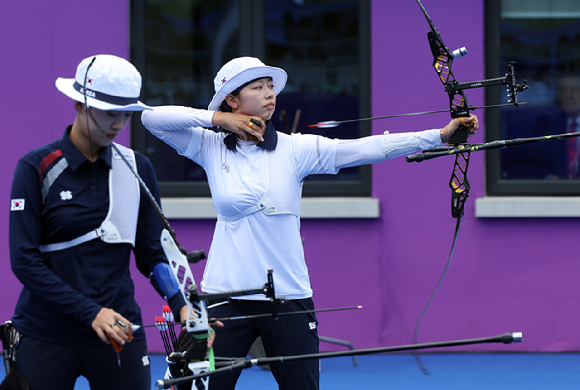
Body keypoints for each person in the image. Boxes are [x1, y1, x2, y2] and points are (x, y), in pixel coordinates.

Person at [141, 56, 478, 390]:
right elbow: (151, 118)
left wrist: (439, 136)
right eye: (257, 87)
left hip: (287, 296)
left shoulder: (295, 148)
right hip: (225, 295)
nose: (269, 93)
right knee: (197, 387)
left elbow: (366, 148)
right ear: (232, 99)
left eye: (271, 86)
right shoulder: (209, 145)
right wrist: (219, 120)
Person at [8, 54, 191, 390]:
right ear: (80, 103)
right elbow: (23, 260)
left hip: (118, 328)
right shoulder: (35, 167)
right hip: (46, 331)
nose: (118, 124)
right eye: (109, 112)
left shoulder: (138, 168)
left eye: (125, 114)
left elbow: (152, 253)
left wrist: (183, 307)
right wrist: (89, 311)